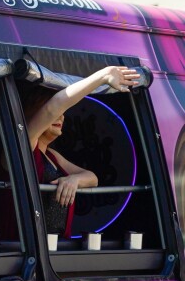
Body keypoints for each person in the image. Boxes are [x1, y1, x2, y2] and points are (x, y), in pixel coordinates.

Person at [24, 65, 139, 236]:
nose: (61, 116)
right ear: (34, 111)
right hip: (28, 244)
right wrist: (103, 76)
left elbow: (93, 178)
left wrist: (74, 180)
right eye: (58, 112)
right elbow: (52, 108)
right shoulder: (26, 144)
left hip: (57, 244)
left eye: (64, 112)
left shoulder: (52, 155)